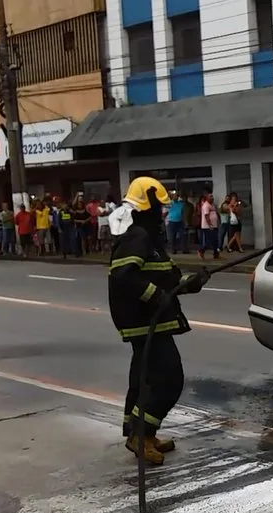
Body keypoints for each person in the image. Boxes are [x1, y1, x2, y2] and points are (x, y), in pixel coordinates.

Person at [108, 176, 210, 465]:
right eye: (159, 208)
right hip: (146, 323)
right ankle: (141, 434)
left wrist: (193, 282)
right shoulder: (137, 236)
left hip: (150, 322)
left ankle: (142, 434)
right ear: (147, 206)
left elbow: (170, 280)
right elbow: (123, 276)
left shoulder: (148, 238)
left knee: (144, 380)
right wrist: (154, 296)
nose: (163, 213)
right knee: (169, 380)